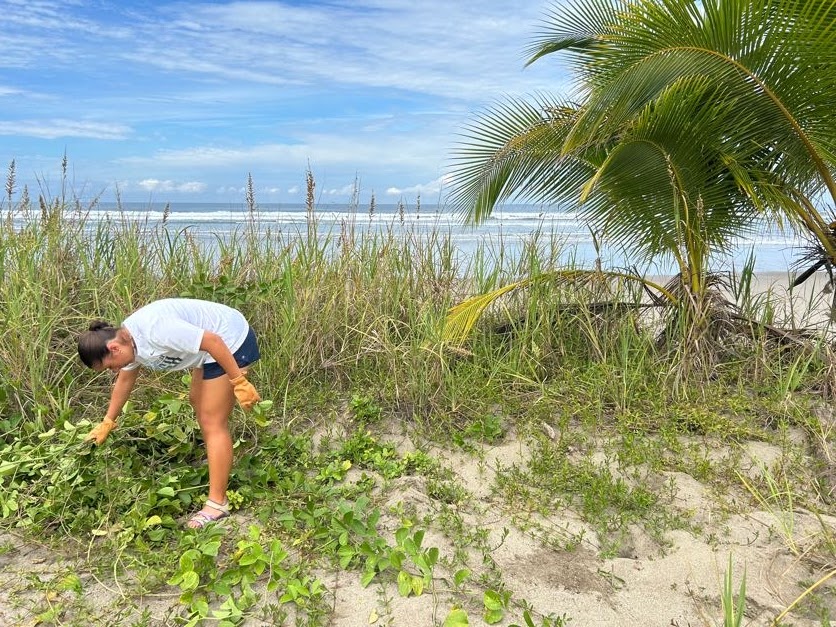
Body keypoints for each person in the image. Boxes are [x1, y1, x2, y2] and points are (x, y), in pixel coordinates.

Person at [77, 298, 261, 529]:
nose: (114, 371)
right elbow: (124, 380)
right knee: (198, 401)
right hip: (207, 351)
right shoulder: (127, 342)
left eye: (110, 366)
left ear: (114, 349)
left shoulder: (156, 330)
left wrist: (238, 381)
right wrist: (108, 421)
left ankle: (217, 503)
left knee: (212, 421)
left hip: (230, 340)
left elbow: (213, 341)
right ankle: (218, 458)